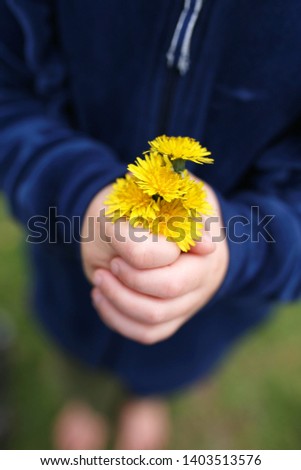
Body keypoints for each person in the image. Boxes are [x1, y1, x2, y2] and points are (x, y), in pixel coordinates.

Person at [0, 0, 301, 449]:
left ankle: (146, 399)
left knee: (167, 368)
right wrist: (80, 195)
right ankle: (85, 402)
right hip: (73, 289)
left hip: (206, 322)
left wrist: (240, 251)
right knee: (76, 360)